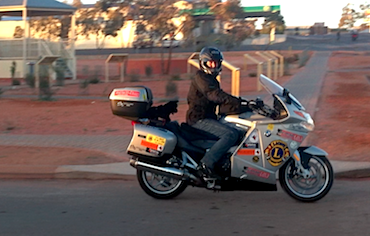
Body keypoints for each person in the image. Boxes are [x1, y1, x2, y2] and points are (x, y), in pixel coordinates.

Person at [186, 46, 251, 181]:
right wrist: (237, 101)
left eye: (216, 62)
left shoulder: (211, 79)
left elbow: (220, 101)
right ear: (204, 63)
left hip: (208, 117)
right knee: (230, 134)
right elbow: (214, 95)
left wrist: (245, 105)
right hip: (198, 119)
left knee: (239, 131)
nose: (214, 65)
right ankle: (206, 165)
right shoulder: (201, 77)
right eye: (211, 62)